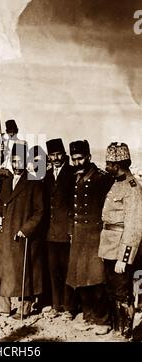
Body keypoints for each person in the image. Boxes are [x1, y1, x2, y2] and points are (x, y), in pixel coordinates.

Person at [0, 142, 44, 319]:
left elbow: (39, 211)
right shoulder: (6, 182)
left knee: (23, 270)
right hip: (4, 233)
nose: (16, 165)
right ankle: (2, 307)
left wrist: (26, 229)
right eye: (13, 161)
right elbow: (1, 206)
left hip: (20, 235)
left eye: (20, 161)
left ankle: (24, 307)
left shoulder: (34, 183)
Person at [66, 140, 114, 335]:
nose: (77, 162)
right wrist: (71, 230)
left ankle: (103, 319)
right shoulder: (74, 177)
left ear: (89, 157)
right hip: (78, 235)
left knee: (97, 278)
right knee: (80, 277)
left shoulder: (102, 179)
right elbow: (70, 208)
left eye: (80, 158)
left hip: (96, 234)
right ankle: (88, 316)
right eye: (74, 159)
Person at [98, 142, 142, 338]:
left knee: (122, 292)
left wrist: (124, 258)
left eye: (109, 163)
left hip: (120, 249)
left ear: (118, 164)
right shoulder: (116, 183)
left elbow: (134, 227)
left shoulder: (132, 188)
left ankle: (125, 332)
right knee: (112, 289)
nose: (106, 166)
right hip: (108, 246)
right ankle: (118, 329)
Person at [44, 138, 75, 319]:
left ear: (64, 155)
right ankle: (56, 305)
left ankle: (69, 307)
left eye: (58, 154)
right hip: (50, 233)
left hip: (66, 232)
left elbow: (74, 204)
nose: (55, 158)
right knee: (53, 269)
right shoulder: (47, 176)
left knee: (67, 269)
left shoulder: (71, 174)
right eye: (52, 155)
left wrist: (71, 229)